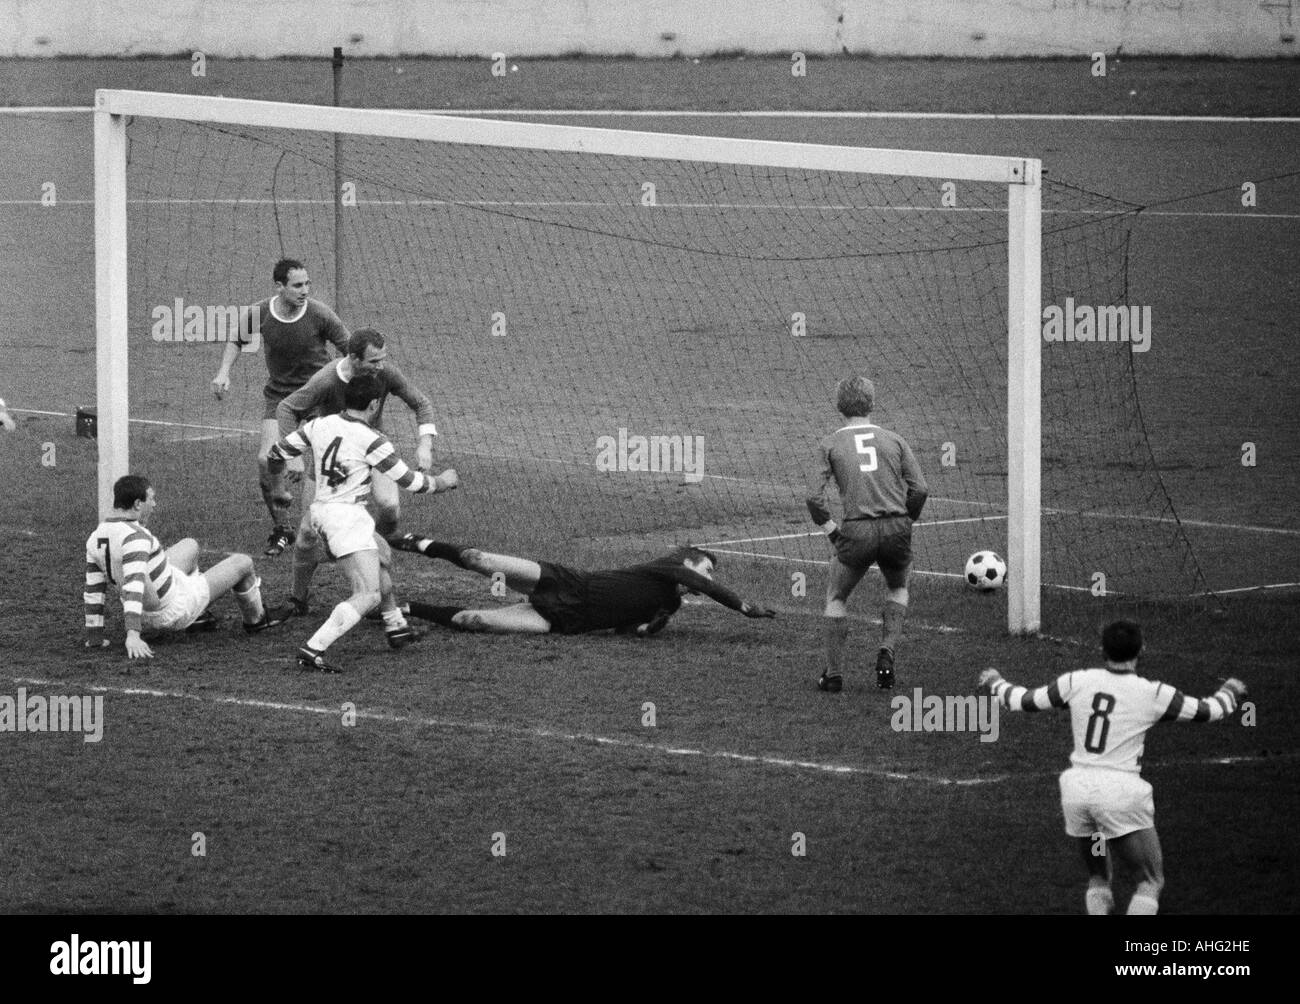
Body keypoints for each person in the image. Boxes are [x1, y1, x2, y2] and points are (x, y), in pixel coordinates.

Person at [979, 620, 1247, 916]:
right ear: (1141, 649)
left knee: (1098, 876)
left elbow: (1023, 701)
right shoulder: (1153, 693)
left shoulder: (1076, 681)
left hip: (1078, 797)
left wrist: (995, 682)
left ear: (1102, 649)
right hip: (1121, 796)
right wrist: (1231, 690)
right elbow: (1210, 711)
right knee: (1149, 880)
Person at [265, 374, 459, 673]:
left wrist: (279, 488)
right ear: (374, 404)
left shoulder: (319, 424)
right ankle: (313, 648)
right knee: (366, 594)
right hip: (345, 520)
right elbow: (412, 482)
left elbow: (275, 453)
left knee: (381, 554)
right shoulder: (373, 440)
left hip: (322, 511)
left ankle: (395, 625)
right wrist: (444, 482)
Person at [275, 328, 439, 612]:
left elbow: (421, 403)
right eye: (374, 361)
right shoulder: (326, 380)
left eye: (383, 359)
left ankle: (367, 549)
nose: (381, 367)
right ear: (353, 358)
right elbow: (286, 408)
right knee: (307, 535)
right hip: (333, 457)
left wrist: (425, 445)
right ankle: (297, 598)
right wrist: (293, 457)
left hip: (373, 450)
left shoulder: (385, 373)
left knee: (389, 508)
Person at [210, 258, 350, 557]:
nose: (305, 291)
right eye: (298, 285)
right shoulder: (261, 312)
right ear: (279, 287)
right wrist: (224, 372)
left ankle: (328, 530)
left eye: (307, 284)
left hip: (317, 396)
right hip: (279, 397)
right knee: (265, 460)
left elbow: (350, 351)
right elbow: (237, 340)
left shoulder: (320, 314)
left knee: (323, 467)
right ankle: (282, 528)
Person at [388, 535, 776, 636]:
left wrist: (647, 629)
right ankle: (415, 542)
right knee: (479, 560)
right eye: (705, 569)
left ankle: (403, 609)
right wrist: (743, 607)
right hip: (568, 582)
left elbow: (627, 629)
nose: (704, 579)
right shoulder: (670, 566)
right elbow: (702, 585)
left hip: (568, 621)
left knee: (474, 620)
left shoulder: (672, 605)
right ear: (689, 561)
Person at [806, 375, 927, 692]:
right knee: (898, 588)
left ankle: (833, 675)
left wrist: (833, 532)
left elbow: (813, 498)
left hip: (856, 530)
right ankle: (886, 651)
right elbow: (920, 489)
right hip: (896, 528)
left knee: (836, 597)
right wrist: (904, 522)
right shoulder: (894, 439)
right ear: (872, 404)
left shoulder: (830, 443)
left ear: (838, 407)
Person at [84, 474, 282, 659]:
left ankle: (200, 617)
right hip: (170, 610)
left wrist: (94, 636)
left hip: (152, 598)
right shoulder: (136, 537)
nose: (154, 504)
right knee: (243, 562)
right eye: (150, 499)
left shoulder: (96, 536)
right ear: (137, 504)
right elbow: (135, 585)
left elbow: (94, 589)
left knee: (190, 545)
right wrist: (133, 635)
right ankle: (256, 620)